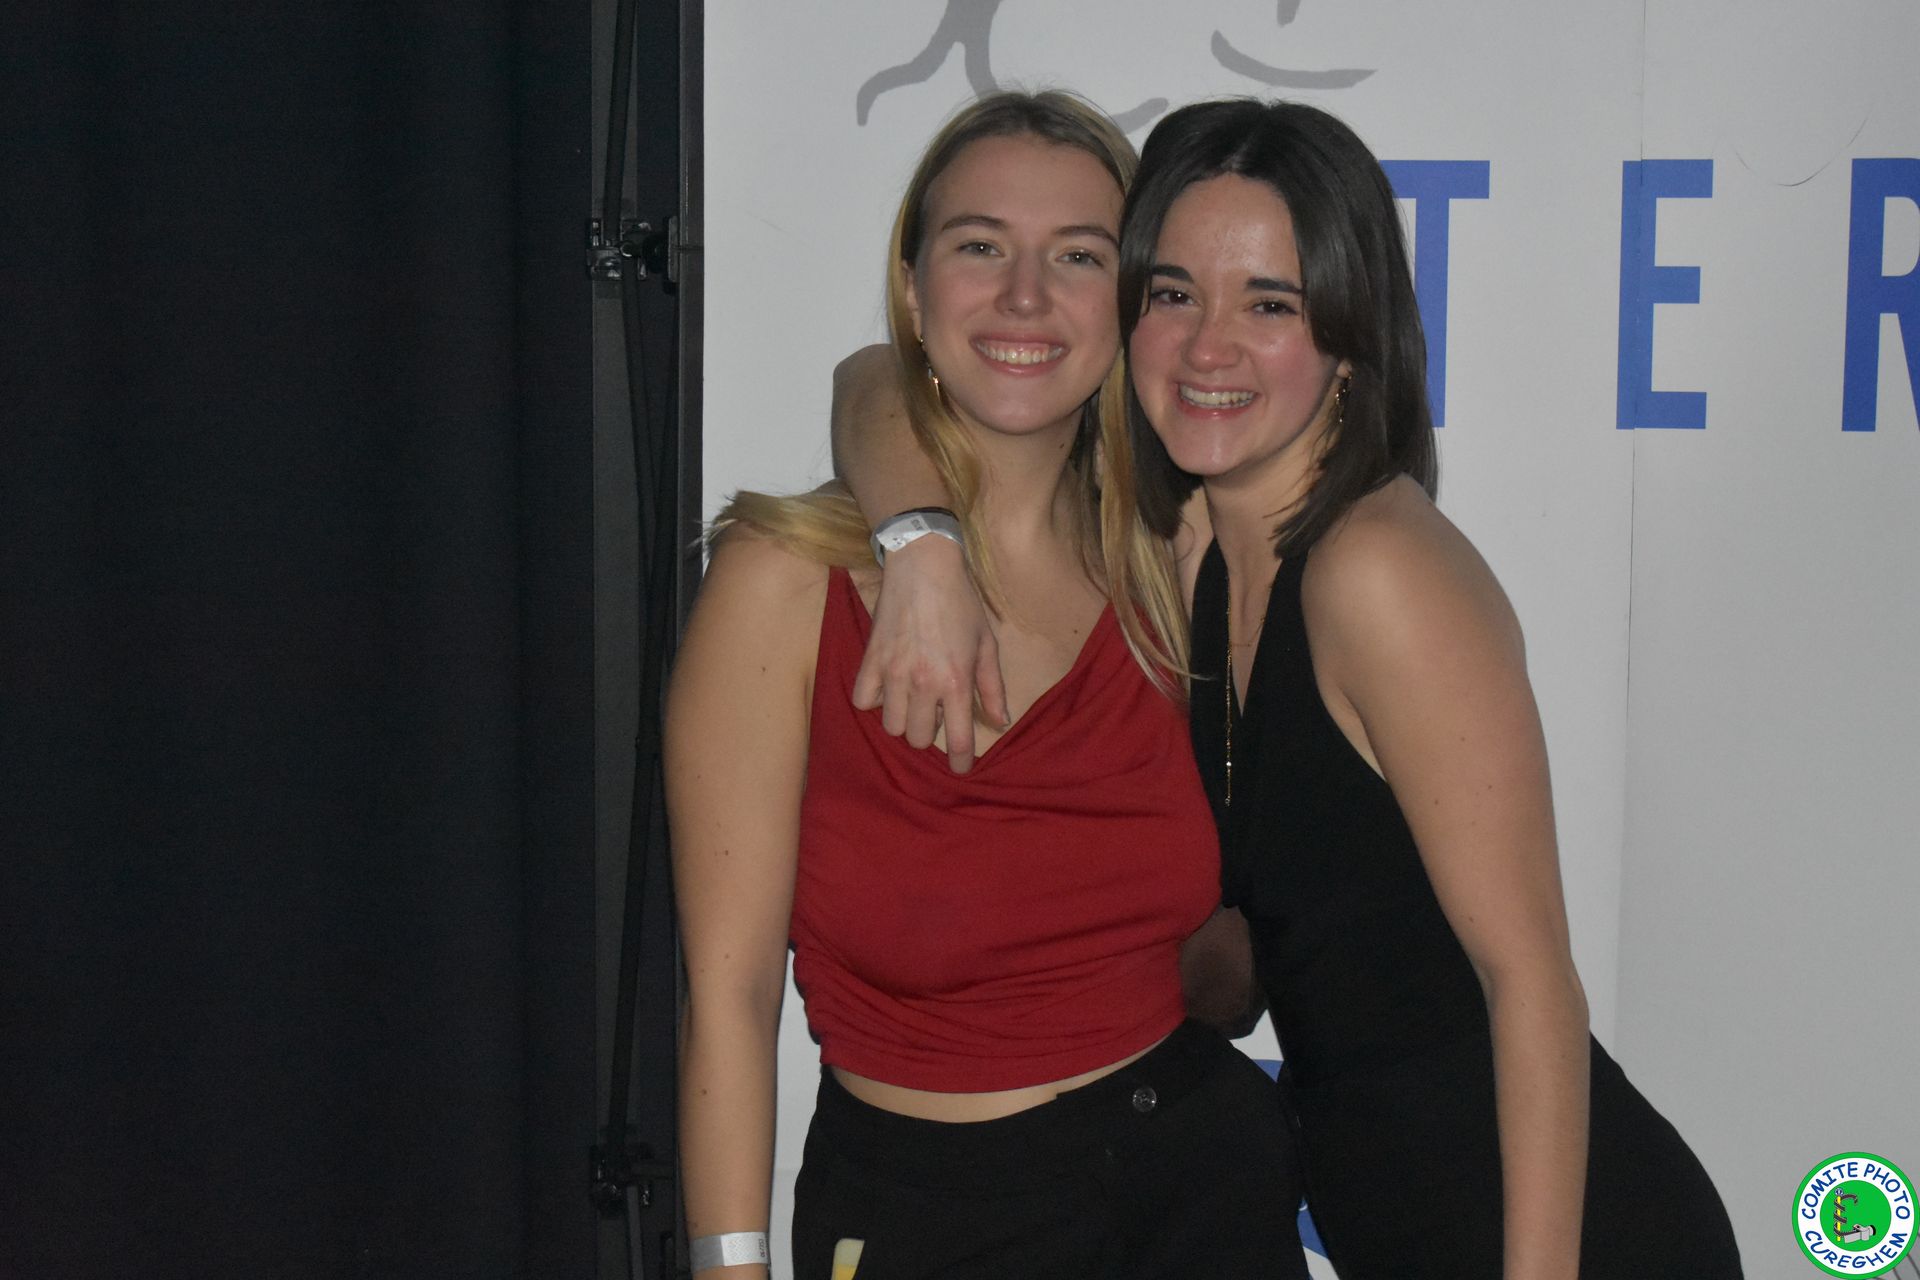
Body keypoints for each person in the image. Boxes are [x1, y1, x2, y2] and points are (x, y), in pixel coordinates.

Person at [831, 99, 1743, 1278]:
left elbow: (1530, 983)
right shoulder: (1187, 552)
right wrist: (921, 544)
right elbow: (874, 375)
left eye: (1270, 304)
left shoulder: (1378, 568)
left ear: (1351, 335)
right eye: (1174, 293)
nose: (1208, 347)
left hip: (1565, 1240)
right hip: (1388, 1221)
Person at [666, 90, 1308, 1280]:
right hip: (930, 1213)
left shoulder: (1178, 560)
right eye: (979, 246)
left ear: (1131, 303)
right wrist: (727, 1267)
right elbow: (729, 991)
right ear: (914, 292)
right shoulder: (782, 583)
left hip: (1200, 1185)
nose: (1024, 296)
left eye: (1079, 256)